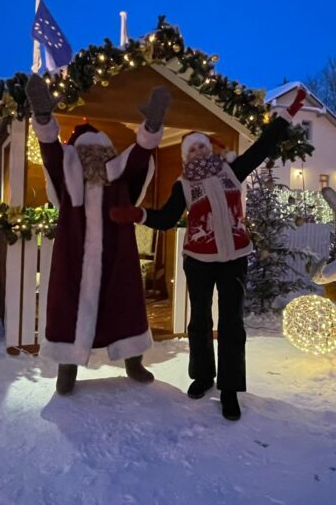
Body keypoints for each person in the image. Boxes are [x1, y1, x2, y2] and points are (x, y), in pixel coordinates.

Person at [110, 89, 306, 420]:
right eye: (192, 149)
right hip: (198, 260)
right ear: (186, 157)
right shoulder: (182, 185)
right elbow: (166, 218)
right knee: (199, 321)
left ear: (209, 148)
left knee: (232, 324)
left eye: (201, 146)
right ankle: (203, 377)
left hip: (234, 258)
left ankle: (229, 390)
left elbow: (263, 147)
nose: (198, 151)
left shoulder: (232, 171)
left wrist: (287, 115)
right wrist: (138, 214)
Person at [25, 76, 169, 395]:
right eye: (86, 150)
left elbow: (139, 157)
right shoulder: (68, 172)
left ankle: (133, 361)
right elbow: (51, 152)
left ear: (107, 151)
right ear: (76, 153)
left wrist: (151, 127)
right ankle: (67, 367)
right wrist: (45, 120)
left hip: (117, 252)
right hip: (74, 253)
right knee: (68, 309)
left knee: (125, 304)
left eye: (99, 149)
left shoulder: (118, 172)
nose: (93, 154)